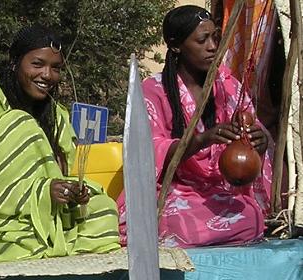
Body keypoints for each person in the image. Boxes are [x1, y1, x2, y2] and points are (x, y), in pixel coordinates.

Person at [0, 24, 120, 263]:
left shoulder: (56, 116)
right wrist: (40, 191)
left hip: (40, 212)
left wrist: (71, 193)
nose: (47, 75)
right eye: (37, 64)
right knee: (21, 124)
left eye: (55, 68)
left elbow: (58, 172)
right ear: (15, 62)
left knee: (104, 209)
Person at [117, 5, 273, 248]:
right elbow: (147, 151)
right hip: (176, 192)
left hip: (217, 193)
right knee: (182, 224)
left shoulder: (227, 86)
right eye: (202, 40)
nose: (212, 47)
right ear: (176, 45)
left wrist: (258, 142)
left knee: (252, 219)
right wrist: (201, 140)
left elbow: (252, 126)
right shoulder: (153, 90)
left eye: (215, 38)